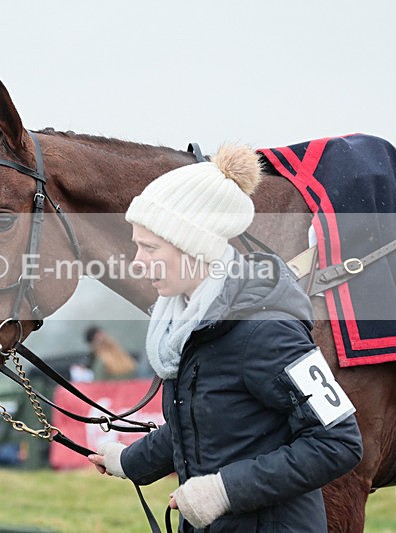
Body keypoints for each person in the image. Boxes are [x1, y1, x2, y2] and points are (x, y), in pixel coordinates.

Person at [88, 144, 363, 532]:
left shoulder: (269, 332)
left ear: (193, 248)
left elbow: (339, 443)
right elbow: (204, 426)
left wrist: (222, 492)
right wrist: (127, 462)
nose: (137, 261)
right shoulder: (188, 326)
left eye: (149, 247)